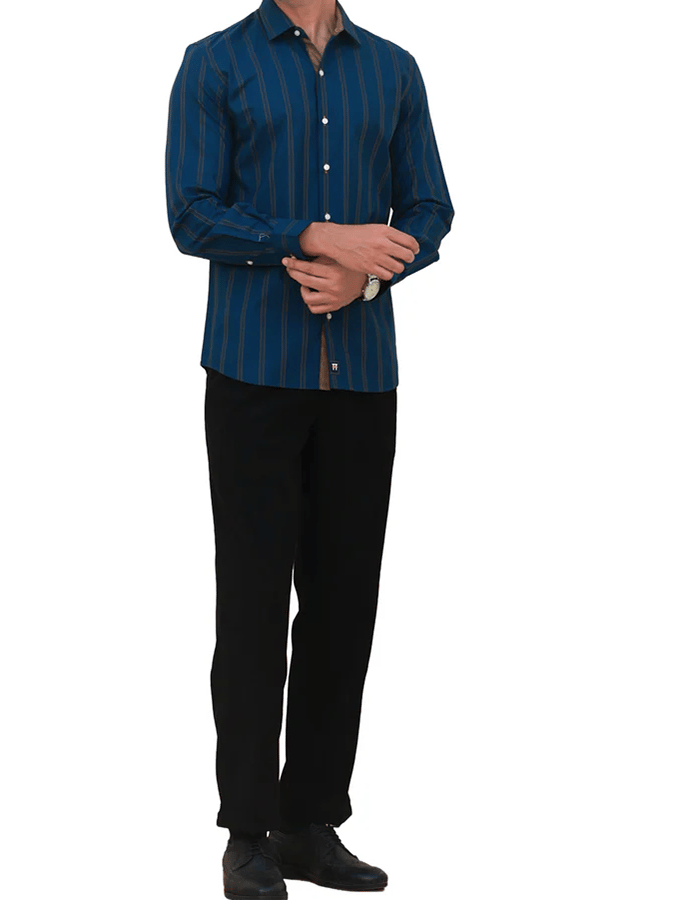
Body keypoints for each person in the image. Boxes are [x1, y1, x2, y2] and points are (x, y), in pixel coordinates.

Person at [164, 0, 454, 896]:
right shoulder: (215, 62)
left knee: (342, 606)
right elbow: (192, 215)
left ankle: (309, 822)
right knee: (252, 604)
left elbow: (430, 208)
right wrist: (312, 235)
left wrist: (364, 279)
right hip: (252, 372)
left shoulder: (393, 68)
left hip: (362, 377)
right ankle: (247, 831)